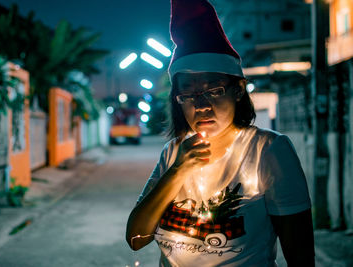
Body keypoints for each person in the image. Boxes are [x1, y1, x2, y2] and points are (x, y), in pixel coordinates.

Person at [126, 0, 315, 266]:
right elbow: (136, 237)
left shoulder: (268, 150)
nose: (201, 105)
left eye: (214, 90)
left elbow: (301, 255)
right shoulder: (173, 152)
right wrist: (177, 171)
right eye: (189, 93)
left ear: (238, 90)